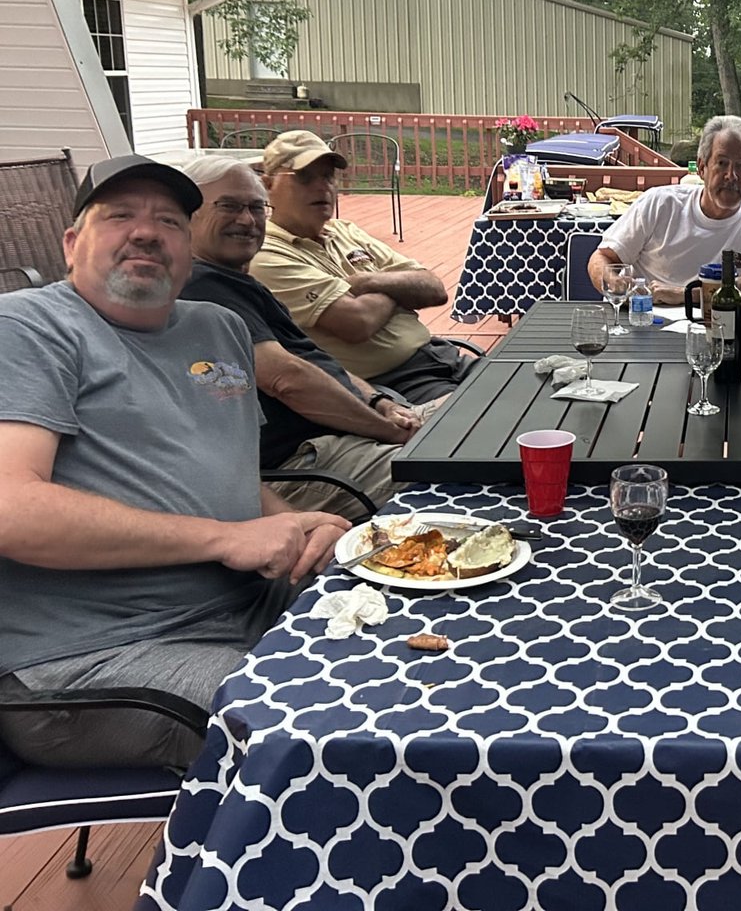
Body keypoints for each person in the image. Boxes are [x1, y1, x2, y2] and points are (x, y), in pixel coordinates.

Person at [0, 155, 348, 769]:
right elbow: (12, 509)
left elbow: (227, 472)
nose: (146, 232)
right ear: (72, 244)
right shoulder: (28, 328)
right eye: (119, 216)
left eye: (168, 221)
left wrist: (295, 526)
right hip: (96, 658)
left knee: (426, 631)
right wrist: (224, 538)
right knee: (337, 728)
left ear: (188, 251)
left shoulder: (218, 327)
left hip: (250, 605)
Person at [177, 157, 433, 520]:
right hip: (305, 463)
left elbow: (310, 358)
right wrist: (386, 430)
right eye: (229, 206)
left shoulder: (237, 281)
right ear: (187, 215)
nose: (247, 220)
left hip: (352, 432)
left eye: (256, 208)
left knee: (489, 418)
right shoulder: (201, 287)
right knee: (473, 462)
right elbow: (287, 380)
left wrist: (379, 403)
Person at [253, 131, 474, 402]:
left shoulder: (345, 230)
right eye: (304, 177)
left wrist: (365, 283)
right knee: (494, 416)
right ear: (268, 184)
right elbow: (358, 322)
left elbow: (434, 288)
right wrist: (397, 288)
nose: (322, 186)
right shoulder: (265, 254)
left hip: (440, 354)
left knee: (522, 385)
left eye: (328, 176)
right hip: (394, 385)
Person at [589, 115, 741, 305]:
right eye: (722, 163)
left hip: (721, 323)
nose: (731, 176)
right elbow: (602, 258)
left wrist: (686, 295)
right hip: (647, 319)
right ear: (701, 168)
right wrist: (614, 283)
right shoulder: (660, 203)